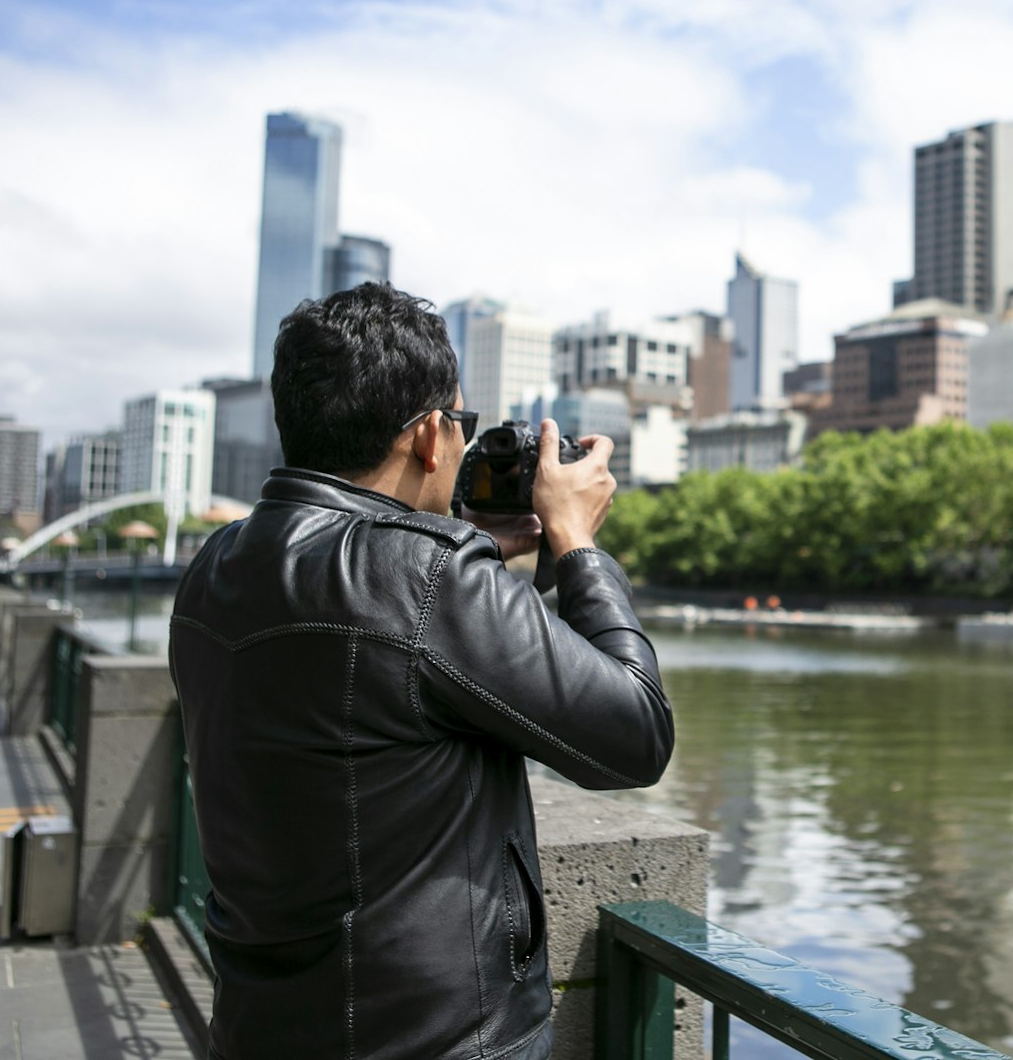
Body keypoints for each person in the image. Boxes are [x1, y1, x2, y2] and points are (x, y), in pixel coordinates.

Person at [169, 283, 673, 1060]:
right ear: (432, 437)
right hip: (439, 1041)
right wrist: (576, 543)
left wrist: (467, 551)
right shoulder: (425, 581)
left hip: (259, 1027)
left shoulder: (218, 566)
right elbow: (635, 735)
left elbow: (372, 651)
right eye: (461, 425)